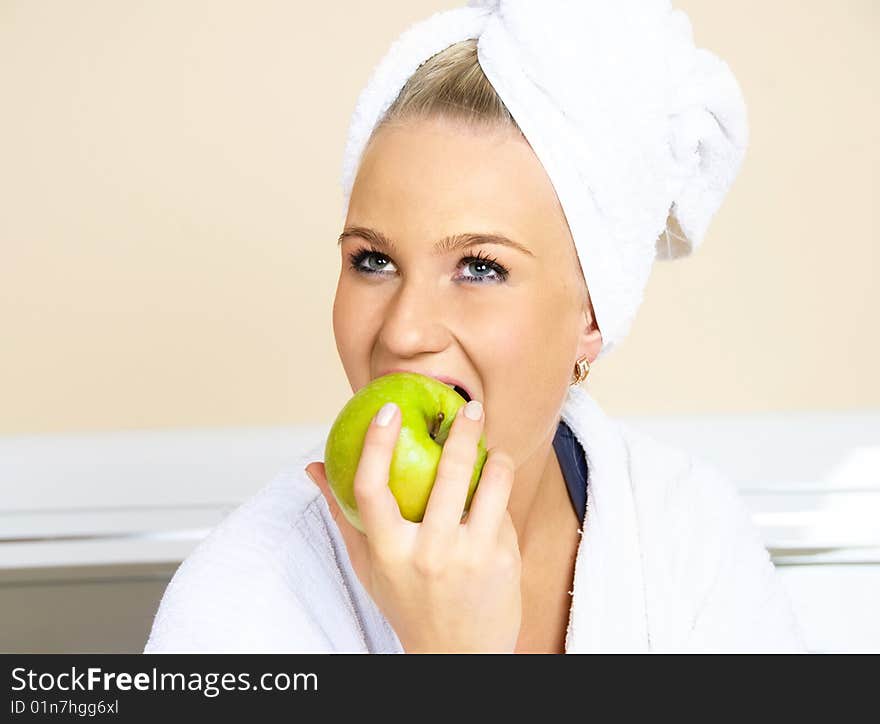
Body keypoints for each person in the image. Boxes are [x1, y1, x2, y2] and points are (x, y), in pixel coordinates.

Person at [144, 1, 805, 653]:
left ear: (593, 314)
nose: (402, 333)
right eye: (373, 261)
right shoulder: (243, 606)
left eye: (480, 268)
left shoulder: (692, 541)